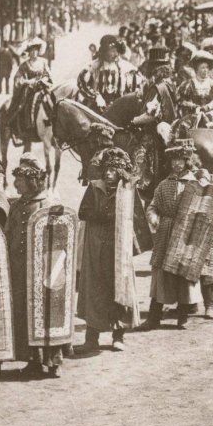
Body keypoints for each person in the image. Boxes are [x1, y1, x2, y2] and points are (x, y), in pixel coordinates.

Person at [137, 139, 213, 331]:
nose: (176, 164)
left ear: (187, 160)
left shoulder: (197, 184)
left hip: (186, 234)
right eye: (173, 160)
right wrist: (153, 217)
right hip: (165, 232)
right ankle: (154, 317)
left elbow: (205, 210)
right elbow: (153, 206)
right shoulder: (164, 184)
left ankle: (183, 314)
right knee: (160, 275)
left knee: (183, 273)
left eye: (180, 160)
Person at [5, 154, 63, 377]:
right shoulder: (16, 206)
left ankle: (54, 360)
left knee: (47, 313)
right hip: (20, 270)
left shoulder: (49, 205)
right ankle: (34, 360)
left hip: (43, 270)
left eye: (19, 179)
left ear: (31, 181)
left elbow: (58, 240)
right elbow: (9, 234)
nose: (15, 184)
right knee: (25, 313)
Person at [77, 148, 135, 352]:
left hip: (119, 249)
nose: (109, 173)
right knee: (95, 290)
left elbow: (137, 219)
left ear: (120, 172)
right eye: (107, 170)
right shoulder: (94, 188)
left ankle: (118, 336)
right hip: (96, 246)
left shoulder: (127, 191)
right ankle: (91, 338)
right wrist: (101, 215)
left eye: (113, 170)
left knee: (119, 288)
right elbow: (82, 212)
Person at [171, 50, 213, 140]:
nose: (205, 70)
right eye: (202, 67)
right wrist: (194, 106)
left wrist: (207, 107)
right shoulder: (188, 84)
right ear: (196, 69)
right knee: (181, 133)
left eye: (207, 67)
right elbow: (182, 101)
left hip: (212, 114)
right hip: (193, 114)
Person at [4, 37, 53, 136]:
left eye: (36, 50)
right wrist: (27, 81)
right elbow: (17, 78)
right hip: (30, 91)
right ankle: (29, 126)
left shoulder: (43, 62)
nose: (34, 52)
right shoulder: (24, 65)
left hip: (43, 88)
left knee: (52, 102)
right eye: (32, 50)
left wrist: (43, 80)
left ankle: (53, 123)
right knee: (28, 104)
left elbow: (48, 75)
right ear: (29, 52)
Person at [88, 35, 145, 108]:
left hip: (120, 108)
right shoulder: (93, 66)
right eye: (113, 51)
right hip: (97, 106)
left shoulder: (126, 67)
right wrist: (95, 96)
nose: (116, 54)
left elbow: (139, 84)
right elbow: (83, 84)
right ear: (105, 52)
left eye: (117, 51)